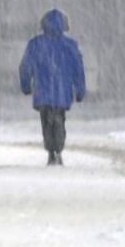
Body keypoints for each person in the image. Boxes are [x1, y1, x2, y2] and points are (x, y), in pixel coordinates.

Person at [19, 9, 86, 166]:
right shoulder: (70, 46)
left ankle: (50, 151)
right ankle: (59, 149)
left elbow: (25, 67)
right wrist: (80, 89)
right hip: (63, 91)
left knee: (45, 121)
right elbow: (78, 69)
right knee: (60, 119)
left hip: (43, 91)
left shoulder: (35, 44)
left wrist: (26, 85)